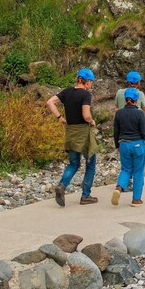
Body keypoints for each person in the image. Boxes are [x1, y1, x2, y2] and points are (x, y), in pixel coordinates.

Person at [46, 68, 98, 206]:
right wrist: (91, 121)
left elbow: (50, 102)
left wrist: (60, 118)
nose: (91, 85)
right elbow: (86, 115)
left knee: (74, 164)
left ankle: (62, 185)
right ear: (87, 82)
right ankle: (85, 195)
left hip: (70, 132)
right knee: (91, 164)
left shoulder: (67, 92)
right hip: (83, 134)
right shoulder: (86, 95)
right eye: (91, 82)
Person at [111, 88, 145, 206]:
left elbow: (116, 131)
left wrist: (117, 145)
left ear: (125, 99)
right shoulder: (139, 113)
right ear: (136, 100)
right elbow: (144, 132)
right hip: (138, 145)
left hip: (124, 144)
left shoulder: (119, 113)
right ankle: (136, 199)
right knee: (138, 172)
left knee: (126, 169)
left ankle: (119, 187)